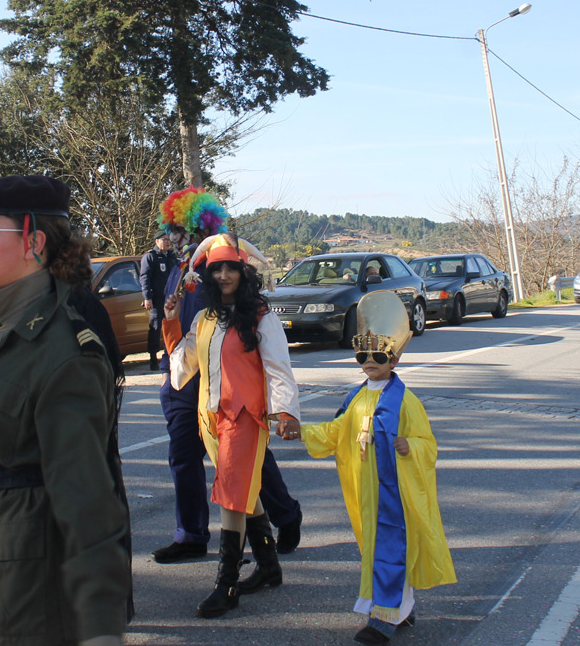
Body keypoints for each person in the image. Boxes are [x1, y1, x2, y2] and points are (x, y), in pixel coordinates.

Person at [0, 175, 131, 646]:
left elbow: (87, 499)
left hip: (30, 588)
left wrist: (100, 630)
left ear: (33, 242)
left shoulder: (65, 350)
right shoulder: (0, 329)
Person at [150, 188, 303, 567]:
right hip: (186, 378)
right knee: (183, 456)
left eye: (182, 229)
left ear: (202, 228)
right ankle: (191, 535)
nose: (174, 236)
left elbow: (269, 355)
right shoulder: (179, 270)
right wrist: (169, 343)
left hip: (229, 385)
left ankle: (282, 517)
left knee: (245, 462)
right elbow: (182, 335)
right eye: (171, 230)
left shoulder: (219, 266)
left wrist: (283, 408)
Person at [294, 290, 456, 645]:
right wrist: (301, 431)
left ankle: (384, 618)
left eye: (378, 356)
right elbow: (337, 431)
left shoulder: (406, 402)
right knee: (377, 550)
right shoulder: (356, 397)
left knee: (390, 549)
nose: (369, 362)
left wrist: (411, 446)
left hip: (394, 493)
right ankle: (404, 608)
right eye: (362, 355)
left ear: (393, 359)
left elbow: (429, 445)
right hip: (366, 493)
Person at [140, 229, 177, 371]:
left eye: (168, 239)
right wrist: (147, 297)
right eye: (164, 239)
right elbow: (145, 278)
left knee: (172, 326)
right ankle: (153, 358)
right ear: (157, 241)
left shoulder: (172, 257)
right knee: (155, 328)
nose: (167, 242)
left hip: (171, 299)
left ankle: (171, 354)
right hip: (157, 299)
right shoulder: (150, 257)